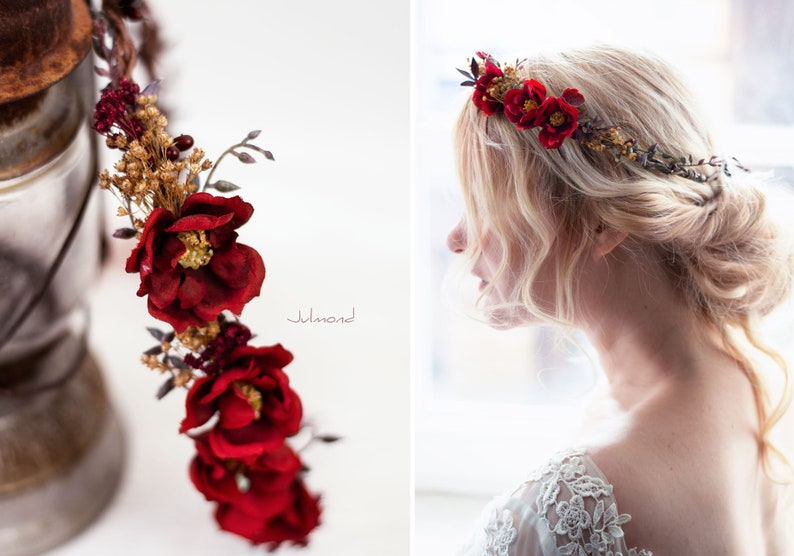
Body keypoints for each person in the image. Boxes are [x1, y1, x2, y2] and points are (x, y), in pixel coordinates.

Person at [447, 45, 794, 555]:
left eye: (484, 202)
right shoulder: (753, 381)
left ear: (600, 223)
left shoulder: (563, 511)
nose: (456, 237)